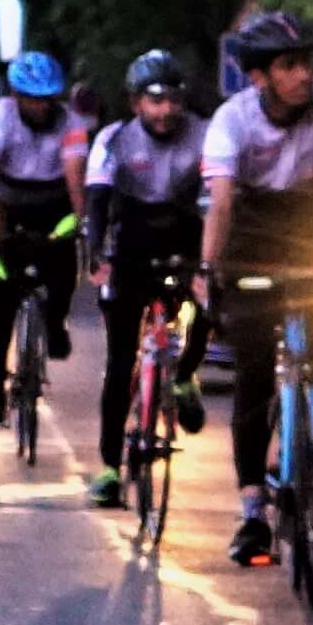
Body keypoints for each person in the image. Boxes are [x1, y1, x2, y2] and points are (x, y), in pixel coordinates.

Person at [196, 10, 313, 564]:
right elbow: (223, 202)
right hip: (251, 228)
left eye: (306, 63)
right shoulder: (231, 120)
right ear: (260, 77)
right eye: (289, 66)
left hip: (310, 221)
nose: (305, 75)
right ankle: (252, 510)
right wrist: (209, 268)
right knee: (253, 372)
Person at [79, 51, 208, 509]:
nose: (166, 110)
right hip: (130, 241)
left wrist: (209, 264)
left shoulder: (204, 134)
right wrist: (96, 254)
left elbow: (218, 198)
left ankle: (184, 376)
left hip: (184, 232)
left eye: (174, 100)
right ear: (136, 103)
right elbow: (97, 202)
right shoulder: (114, 140)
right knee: (119, 362)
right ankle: (111, 466)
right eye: (155, 101)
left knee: (207, 301)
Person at [0, 49, 93, 443]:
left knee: (64, 265)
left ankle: (55, 322)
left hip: (52, 201)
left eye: (47, 98)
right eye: (32, 98)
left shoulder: (70, 122)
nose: (39, 106)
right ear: (16, 96)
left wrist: (81, 221)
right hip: (6, 202)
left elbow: (74, 175)